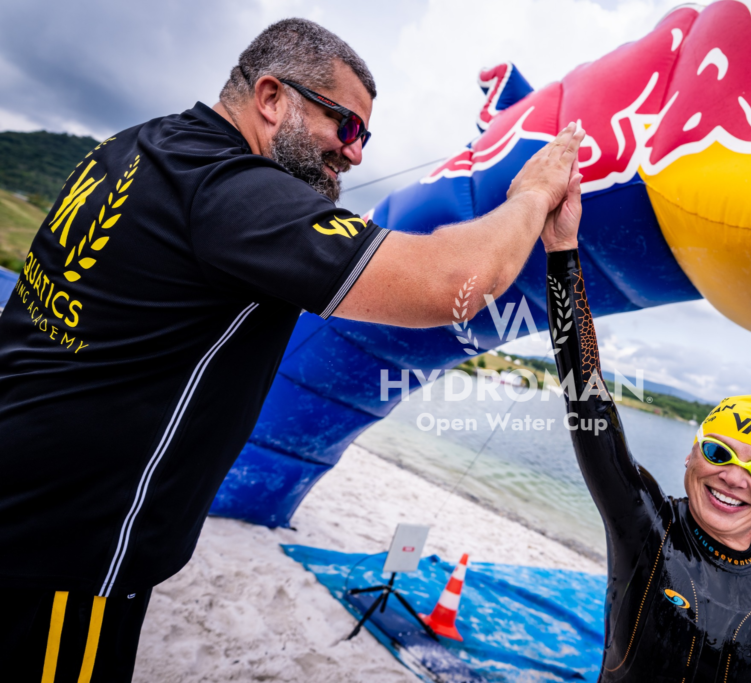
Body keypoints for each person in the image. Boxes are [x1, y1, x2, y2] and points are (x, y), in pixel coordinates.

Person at [0, 18, 583, 681]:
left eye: (366, 135)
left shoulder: (133, 145)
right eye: (346, 125)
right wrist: (533, 195)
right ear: (273, 98)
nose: (356, 152)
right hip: (68, 546)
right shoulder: (232, 193)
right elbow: (456, 284)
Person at [541, 179, 751, 681]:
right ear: (691, 456)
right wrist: (562, 252)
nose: (735, 477)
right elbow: (586, 394)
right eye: (719, 451)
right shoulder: (645, 525)